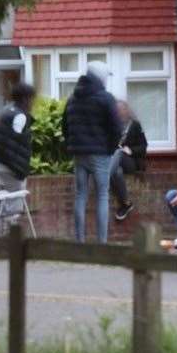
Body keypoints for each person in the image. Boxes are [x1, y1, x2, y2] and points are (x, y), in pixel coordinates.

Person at [62, 60, 123, 244]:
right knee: (102, 195)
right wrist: (110, 149)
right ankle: (101, 243)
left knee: (80, 195)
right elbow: (116, 128)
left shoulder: (72, 98)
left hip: (79, 154)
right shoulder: (106, 98)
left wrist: (73, 145)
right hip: (100, 153)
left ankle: (79, 242)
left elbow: (65, 126)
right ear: (101, 76)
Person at [0, 83, 36, 236]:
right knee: (14, 202)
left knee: (6, 200)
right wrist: (20, 169)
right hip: (9, 166)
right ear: (25, 99)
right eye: (31, 99)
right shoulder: (20, 115)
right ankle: (11, 238)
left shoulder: (6, 110)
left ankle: (4, 235)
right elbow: (15, 141)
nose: (33, 102)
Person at [109, 100, 148, 222]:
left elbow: (144, 146)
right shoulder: (112, 126)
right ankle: (125, 203)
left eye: (122, 110)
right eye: (117, 110)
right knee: (117, 172)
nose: (119, 113)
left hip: (131, 161)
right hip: (116, 163)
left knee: (119, 153)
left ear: (127, 111)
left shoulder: (135, 125)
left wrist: (130, 150)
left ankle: (106, 175)